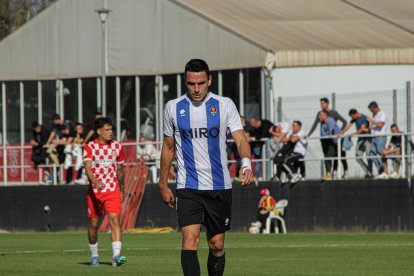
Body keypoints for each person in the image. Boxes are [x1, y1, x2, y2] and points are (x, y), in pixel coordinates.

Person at [158, 59, 253, 276]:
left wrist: (246, 165)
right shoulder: (173, 107)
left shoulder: (224, 104)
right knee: (190, 240)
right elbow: (167, 147)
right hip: (188, 185)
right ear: (185, 82)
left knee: (216, 245)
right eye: (191, 83)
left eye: (201, 82)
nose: (197, 88)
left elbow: (240, 139)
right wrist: (163, 184)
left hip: (219, 185)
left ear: (209, 80)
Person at [83, 117, 127, 267]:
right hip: (95, 191)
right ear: (99, 131)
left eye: (111, 129)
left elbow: (120, 170)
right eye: (107, 130)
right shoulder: (90, 147)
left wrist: (122, 189)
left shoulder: (117, 147)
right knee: (94, 224)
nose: (110, 132)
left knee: (115, 219)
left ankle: (116, 256)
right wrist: (94, 181)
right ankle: (94, 255)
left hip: (112, 189)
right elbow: (88, 168)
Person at [308, 98, 350, 179]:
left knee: (337, 155)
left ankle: (338, 172)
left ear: (327, 103)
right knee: (327, 156)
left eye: (322, 103)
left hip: (334, 140)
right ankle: (329, 173)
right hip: (325, 139)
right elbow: (315, 124)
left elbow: (344, 122)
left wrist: (340, 132)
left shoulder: (333, 113)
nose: (321, 105)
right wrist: (309, 134)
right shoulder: (319, 114)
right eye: (320, 104)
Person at [340, 109, 373, 178]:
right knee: (357, 157)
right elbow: (349, 125)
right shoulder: (354, 119)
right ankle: (368, 171)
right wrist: (342, 132)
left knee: (368, 157)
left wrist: (354, 134)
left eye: (353, 117)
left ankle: (370, 173)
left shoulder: (364, 117)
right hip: (360, 140)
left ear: (356, 114)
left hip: (367, 140)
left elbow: (362, 129)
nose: (352, 118)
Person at [366, 101, 388, 176]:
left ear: (375, 108)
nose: (371, 111)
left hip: (380, 137)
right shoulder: (374, 115)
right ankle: (380, 169)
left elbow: (380, 125)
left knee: (381, 153)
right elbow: (373, 126)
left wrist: (371, 121)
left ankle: (385, 170)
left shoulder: (382, 114)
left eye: (372, 110)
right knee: (371, 154)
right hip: (374, 138)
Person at [319, 111, 341, 180]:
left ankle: (334, 173)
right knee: (327, 157)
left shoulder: (330, 120)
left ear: (325, 115)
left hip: (335, 142)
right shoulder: (322, 123)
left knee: (332, 156)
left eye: (321, 115)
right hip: (328, 142)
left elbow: (331, 133)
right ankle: (328, 174)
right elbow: (323, 134)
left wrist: (329, 135)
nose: (319, 117)